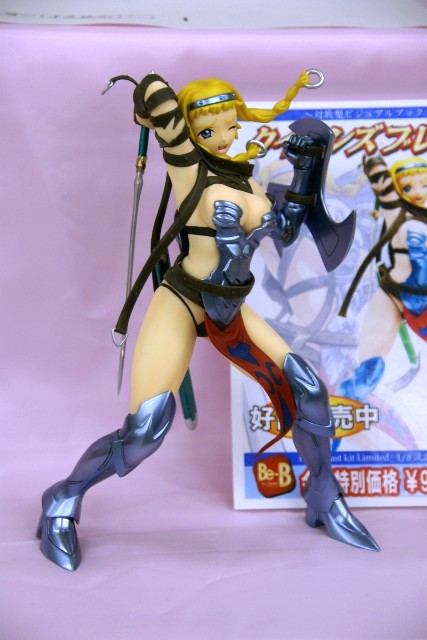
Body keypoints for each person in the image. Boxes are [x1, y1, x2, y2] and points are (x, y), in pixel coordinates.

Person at [37, 70, 379, 572]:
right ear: (190, 133)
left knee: (308, 389)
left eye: (229, 126)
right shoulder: (187, 169)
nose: (222, 138)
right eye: (207, 131)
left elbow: (285, 232)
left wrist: (307, 169)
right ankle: (63, 498)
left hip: (230, 309)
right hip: (183, 300)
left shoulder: (247, 181)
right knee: (146, 428)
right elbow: (155, 89)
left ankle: (324, 493)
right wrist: (149, 107)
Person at [337, 156, 427, 401]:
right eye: (407, 187)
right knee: (367, 373)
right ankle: (340, 414)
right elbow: (383, 185)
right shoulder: (396, 212)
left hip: (422, 303)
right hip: (392, 294)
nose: (418, 192)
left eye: (424, 185)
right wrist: (375, 166)